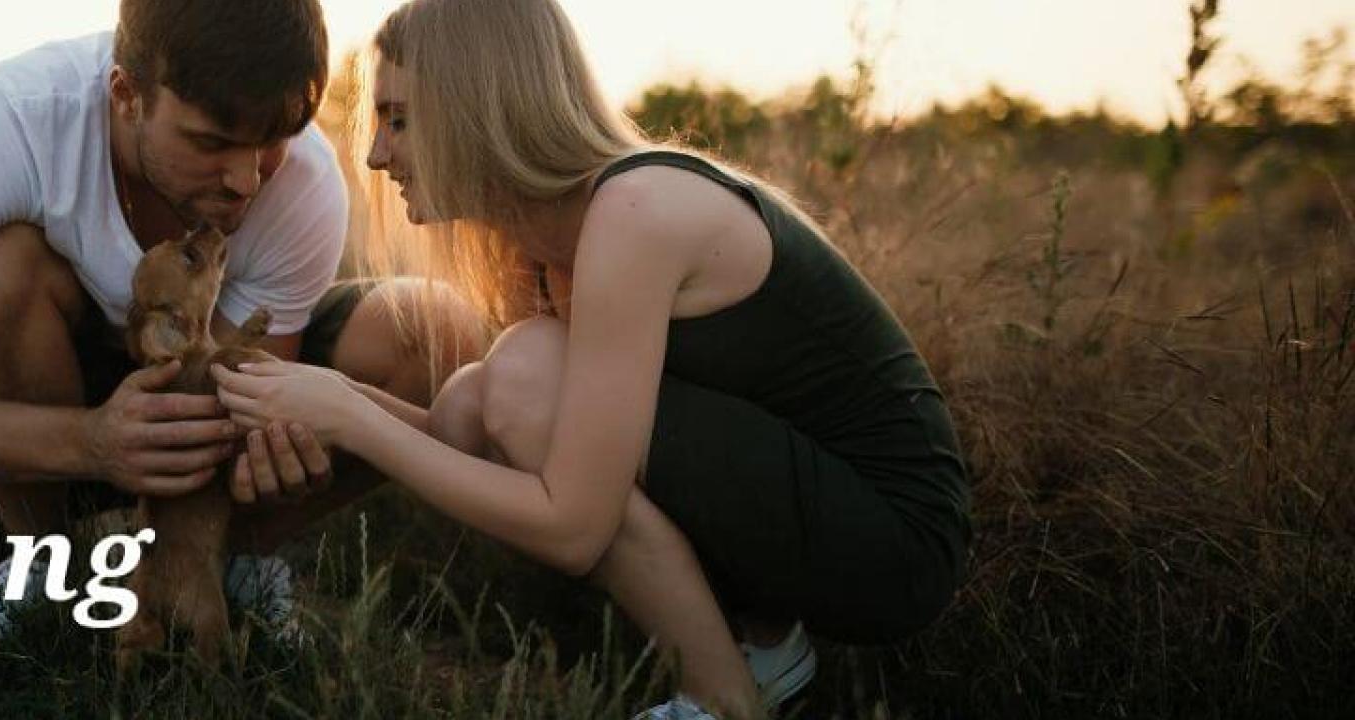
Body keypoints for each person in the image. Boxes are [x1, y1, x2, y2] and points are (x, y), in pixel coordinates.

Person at [210, 0, 972, 717]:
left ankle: (725, 699)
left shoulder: (634, 210)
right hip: (796, 500)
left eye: (399, 119)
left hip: (893, 543)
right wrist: (323, 398)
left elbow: (573, 522)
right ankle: (761, 642)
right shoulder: (546, 242)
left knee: (520, 379)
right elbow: (458, 440)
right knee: (481, 396)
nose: (375, 155)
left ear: (485, 107)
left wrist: (350, 414)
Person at [0, 0, 473, 685]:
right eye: (211, 142)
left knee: (435, 327)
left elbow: (240, 398)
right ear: (125, 95)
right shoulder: (0, 124)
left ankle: (229, 560)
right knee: (0, 269)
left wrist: (274, 444)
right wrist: (91, 441)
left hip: (196, 407)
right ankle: (43, 561)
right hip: (35, 409)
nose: (246, 180)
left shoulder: (303, 181)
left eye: (275, 137)